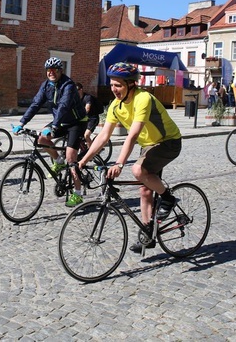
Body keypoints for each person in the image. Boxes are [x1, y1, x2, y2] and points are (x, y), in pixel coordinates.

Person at [79, 62, 181, 253]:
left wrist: (119, 163)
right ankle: (148, 233)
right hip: (150, 145)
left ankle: (167, 198)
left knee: (137, 170)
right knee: (144, 189)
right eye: (111, 84)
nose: (114, 89)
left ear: (131, 84)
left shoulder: (143, 99)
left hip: (169, 141)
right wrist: (83, 160)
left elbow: (132, 135)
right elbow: (103, 136)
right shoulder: (116, 106)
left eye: (118, 85)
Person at [13, 57, 87, 207]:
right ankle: (58, 162)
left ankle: (78, 194)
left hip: (76, 122)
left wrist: (53, 126)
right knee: (41, 139)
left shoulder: (69, 85)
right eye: (49, 70)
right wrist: (22, 122)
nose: (51, 73)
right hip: (60, 121)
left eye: (54, 70)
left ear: (60, 71)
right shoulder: (46, 85)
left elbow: (64, 106)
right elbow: (35, 104)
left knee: (71, 158)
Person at [76, 83, 103, 148]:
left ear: (81, 89)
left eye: (77, 90)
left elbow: (87, 108)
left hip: (92, 119)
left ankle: (91, 153)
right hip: (84, 119)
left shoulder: (88, 97)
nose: (76, 92)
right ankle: (83, 148)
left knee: (86, 135)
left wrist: (80, 115)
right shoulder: (76, 99)